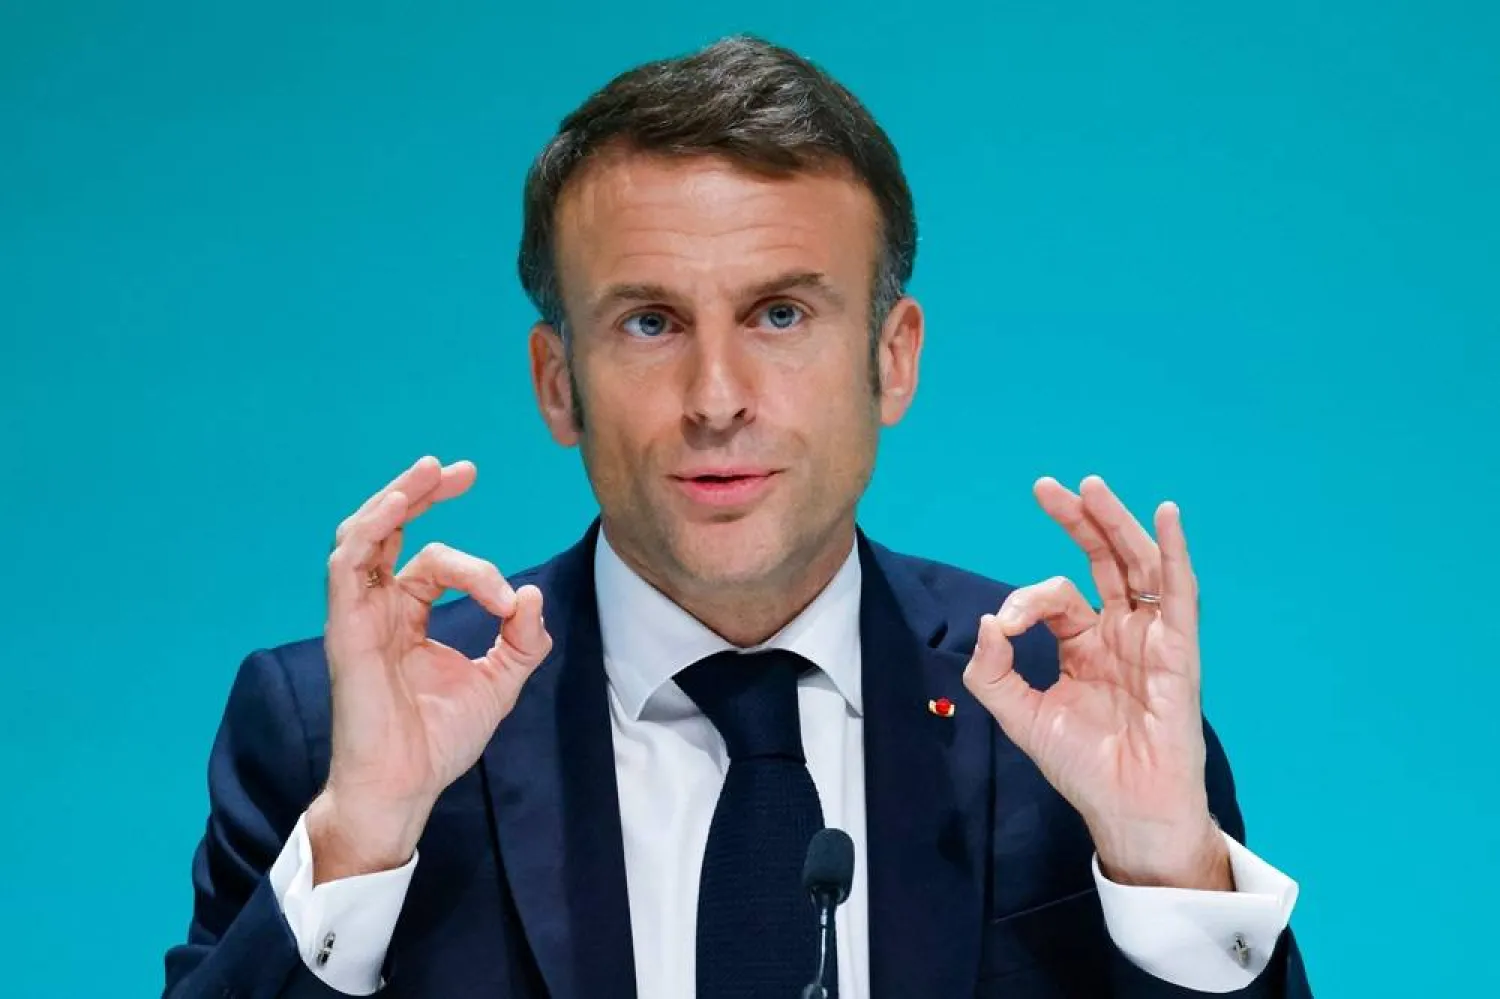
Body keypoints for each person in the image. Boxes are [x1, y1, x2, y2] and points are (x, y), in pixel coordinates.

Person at [163, 35, 1312, 999]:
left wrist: (1167, 869)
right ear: (557, 383)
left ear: (892, 360)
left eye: (778, 314)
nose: (716, 399)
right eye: (651, 323)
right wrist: (362, 837)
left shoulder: (1072, 709)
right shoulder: (332, 733)